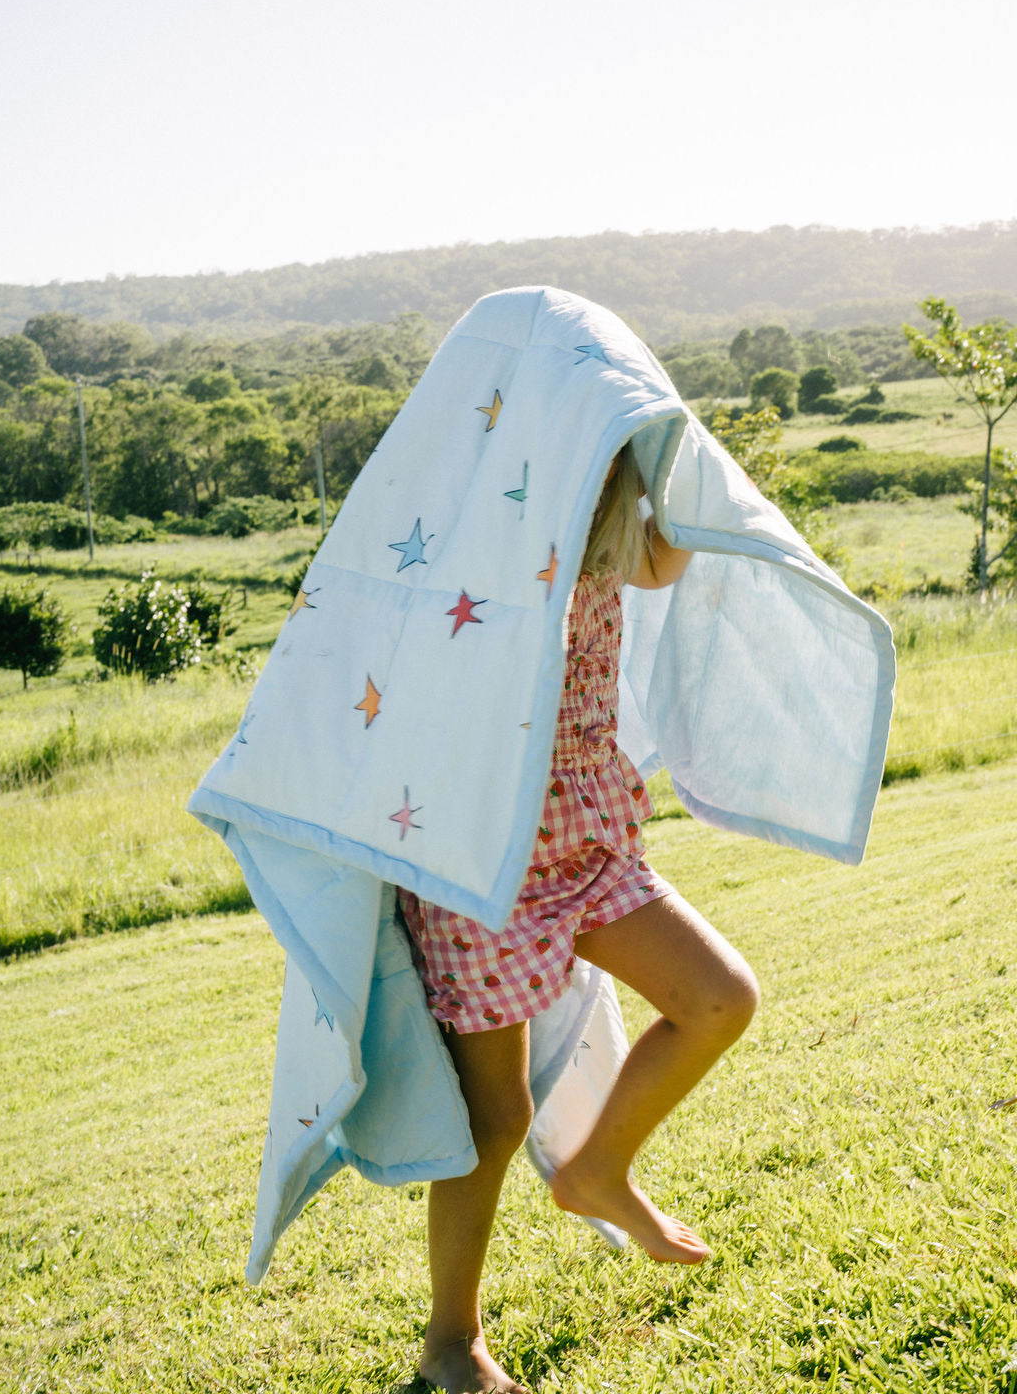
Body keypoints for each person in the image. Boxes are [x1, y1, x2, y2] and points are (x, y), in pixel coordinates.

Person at [397, 443, 760, 1394]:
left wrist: (673, 446)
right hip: (483, 862)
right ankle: (450, 1342)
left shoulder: (613, 540)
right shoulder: (480, 541)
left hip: (593, 839)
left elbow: (670, 543)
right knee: (497, 1115)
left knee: (720, 998)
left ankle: (598, 1169)